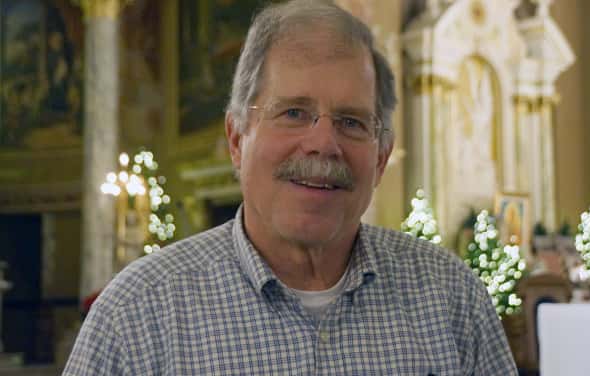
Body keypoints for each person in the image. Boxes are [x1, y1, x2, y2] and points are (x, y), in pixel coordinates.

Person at [63, 0, 517, 374]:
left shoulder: (454, 299)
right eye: (293, 113)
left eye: (351, 121)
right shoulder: (136, 315)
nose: (323, 143)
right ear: (237, 139)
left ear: (380, 158)